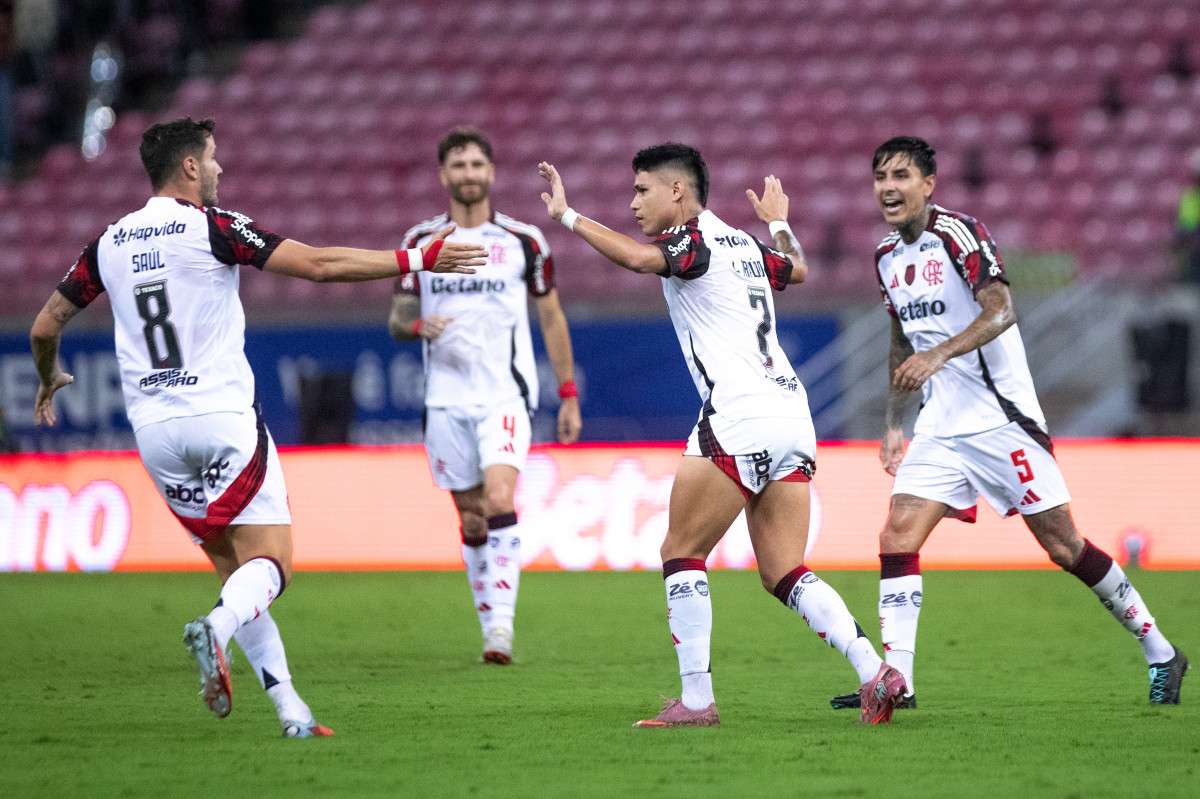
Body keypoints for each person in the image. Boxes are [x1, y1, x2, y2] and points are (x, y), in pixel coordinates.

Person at [29, 117, 486, 736]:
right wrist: (415, 257)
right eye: (213, 159)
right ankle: (213, 629)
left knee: (237, 574)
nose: (219, 169)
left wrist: (49, 376)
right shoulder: (213, 227)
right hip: (221, 421)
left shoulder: (107, 244)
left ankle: (291, 710)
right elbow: (319, 265)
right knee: (272, 565)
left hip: (155, 436)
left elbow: (44, 327)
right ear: (189, 167)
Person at [538, 144, 906, 727]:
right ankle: (874, 670)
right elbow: (800, 269)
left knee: (680, 552)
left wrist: (566, 216)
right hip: (792, 414)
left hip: (739, 413)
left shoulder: (695, 239)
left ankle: (697, 702)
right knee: (784, 570)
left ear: (677, 192)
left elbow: (637, 260)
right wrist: (780, 222)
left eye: (642, 190)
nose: (634, 202)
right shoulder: (747, 243)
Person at [829, 136, 1188, 712]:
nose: (888, 188)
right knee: (896, 535)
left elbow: (1001, 309)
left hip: (1002, 420)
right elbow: (901, 338)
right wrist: (895, 423)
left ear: (929, 184)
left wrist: (941, 354)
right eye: (880, 178)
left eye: (901, 175)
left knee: (1065, 546)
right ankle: (897, 682)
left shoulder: (960, 234)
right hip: (941, 425)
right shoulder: (885, 257)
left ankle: (1161, 651)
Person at [387, 126, 581, 665]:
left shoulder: (524, 242)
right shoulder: (419, 243)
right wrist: (417, 324)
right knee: (472, 520)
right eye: (458, 165)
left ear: (491, 173)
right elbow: (398, 320)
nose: (468, 174)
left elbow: (552, 316)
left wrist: (567, 394)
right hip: (445, 400)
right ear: (443, 175)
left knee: (500, 500)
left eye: (477, 165)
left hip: (505, 397)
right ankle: (487, 625)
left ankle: (501, 630)